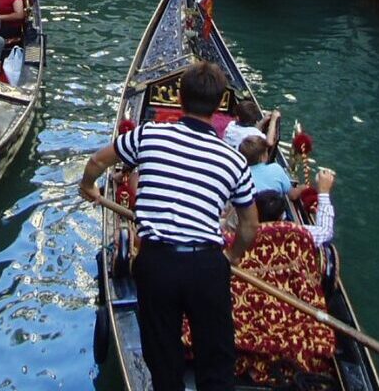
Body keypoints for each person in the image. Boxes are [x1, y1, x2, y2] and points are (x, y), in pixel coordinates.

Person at [79, 61, 258, 391]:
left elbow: (96, 162)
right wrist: (230, 259)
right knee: (216, 362)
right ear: (220, 105)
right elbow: (249, 228)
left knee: (163, 360)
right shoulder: (234, 160)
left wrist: (88, 187)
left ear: (179, 98)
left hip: (156, 263)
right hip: (206, 266)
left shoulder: (148, 134)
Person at [255, 168, 337, 247]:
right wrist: (323, 192)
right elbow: (326, 232)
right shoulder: (293, 233)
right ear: (281, 216)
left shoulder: (245, 234)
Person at [240, 136, 299, 201]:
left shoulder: (240, 174)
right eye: (266, 152)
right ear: (262, 157)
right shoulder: (276, 169)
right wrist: (303, 188)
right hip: (273, 209)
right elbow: (292, 195)